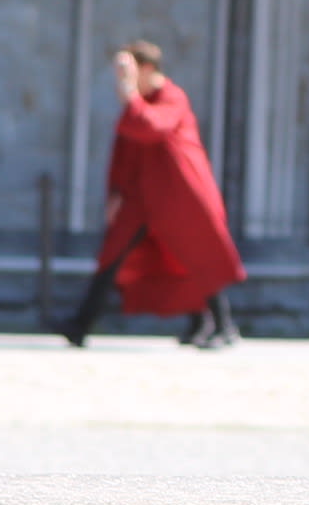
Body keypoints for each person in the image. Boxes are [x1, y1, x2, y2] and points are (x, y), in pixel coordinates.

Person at [62, 41, 247, 349]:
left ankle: (222, 325)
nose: (123, 79)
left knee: (195, 256)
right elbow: (125, 150)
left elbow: (150, 126)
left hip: (179, 196)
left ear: (146, 69)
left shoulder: (172, 97)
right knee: (113, 256)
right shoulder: (141, 102)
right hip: (142, 198)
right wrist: (116, 193)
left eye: (129, 70)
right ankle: (80, 324)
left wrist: (130, 94)